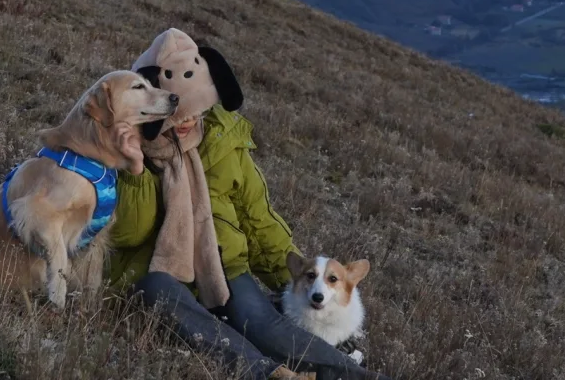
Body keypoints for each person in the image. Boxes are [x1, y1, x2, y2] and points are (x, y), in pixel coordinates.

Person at [107, 28, 391, 380]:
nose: (186, 122)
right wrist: (135, 167)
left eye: (193, 112)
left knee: (263, 324)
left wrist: (300, 278)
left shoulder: (225, 141)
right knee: (160, 295)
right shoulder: (123, 148)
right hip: (157, 271)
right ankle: (269, 375)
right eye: (175, 114)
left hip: (224, 266)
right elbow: (126, 234)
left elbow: (258, 220)